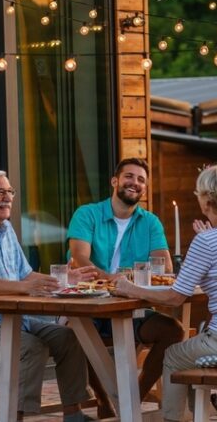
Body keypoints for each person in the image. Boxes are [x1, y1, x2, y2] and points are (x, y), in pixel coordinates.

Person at [114, 164, 217, 422]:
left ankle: (173, 419)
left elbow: (175, 297)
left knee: (173, 355)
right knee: (193, 351)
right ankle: (210, 415)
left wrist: (130, 288)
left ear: (206, 200)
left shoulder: (207, 241)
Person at [0, 169, 92, 422]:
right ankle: (14, 417)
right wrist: (27, 288)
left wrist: (62, 281)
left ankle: (73, 414)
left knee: (68, 337)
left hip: (13, 319)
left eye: (9, 191)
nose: (8, 197)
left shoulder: (6, 230)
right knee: (29, 348)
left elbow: (25, 275)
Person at [67, 157, 186, 408]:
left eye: (141, 180)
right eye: (129, 177)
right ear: (115, 181)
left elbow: (163, 266)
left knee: (174, 331)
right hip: (89, 304)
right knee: (76, 336)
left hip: (131, 308)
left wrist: (129, 285)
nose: (135, 183)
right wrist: (116, 281)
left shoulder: (150, 221)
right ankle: (104, 401)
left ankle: (131, 403)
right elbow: (80, 259)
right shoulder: (87, 214)